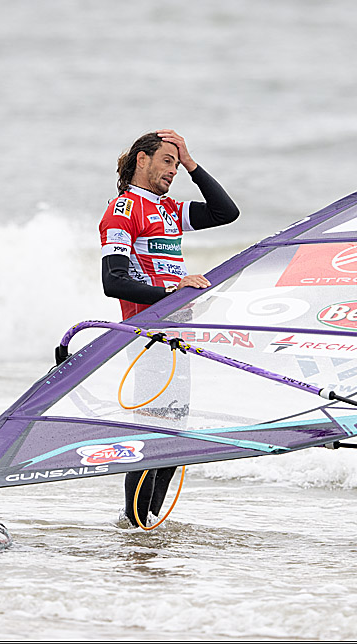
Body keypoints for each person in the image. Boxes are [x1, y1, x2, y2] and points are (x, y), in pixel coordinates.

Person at [99, 129, 239, 527]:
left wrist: (193, 162)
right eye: (167, 161)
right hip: (147, 337)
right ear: (142, 160)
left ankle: (146, 521)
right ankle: (134, 521)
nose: (173, 171)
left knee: (172, 437)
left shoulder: (168, 210)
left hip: (179, 338)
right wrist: (171, 290)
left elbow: (226, 213)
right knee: (152, 433)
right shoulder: (123, 212)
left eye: (177, 165)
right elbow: (114, 282)